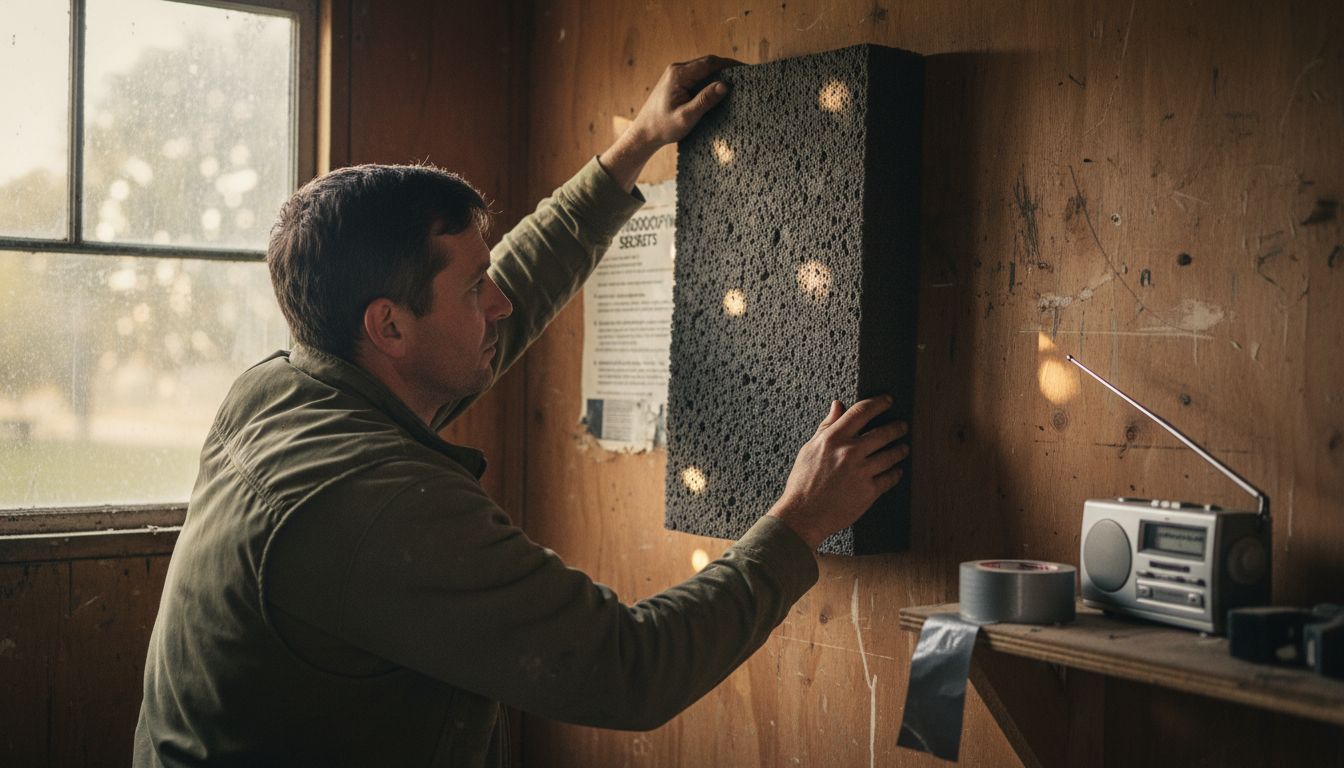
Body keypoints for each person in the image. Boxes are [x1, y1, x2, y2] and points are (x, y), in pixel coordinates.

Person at [133, 56, 910, 767]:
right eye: (474, 288)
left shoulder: (282, 393)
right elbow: (626, 671)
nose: (499, 301)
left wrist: (632, 148)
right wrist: (803, 520)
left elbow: (505, 301)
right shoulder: (377, 502)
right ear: (389, 325)